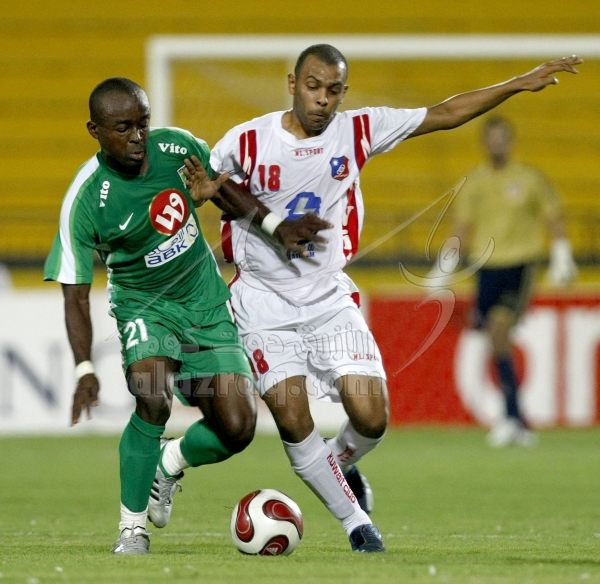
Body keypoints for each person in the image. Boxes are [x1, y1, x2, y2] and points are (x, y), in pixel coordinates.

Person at [164, 46, 582, 553]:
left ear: (344, 92)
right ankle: (358, 525)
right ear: (292, 83)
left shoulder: (359, 129)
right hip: (262, 302)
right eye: (313, 87)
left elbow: (446, 113)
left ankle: (337, 467)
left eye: (333, 90)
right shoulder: (247, 140)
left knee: (372, 416)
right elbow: (203, 184)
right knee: (294, 419)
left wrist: (517, 83)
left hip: (328, 298)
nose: (322, 100)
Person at [43, 77, 328, 555]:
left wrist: (277, 228)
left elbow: (222, 190)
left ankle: (168, 463)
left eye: (143, 123)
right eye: (123, 128)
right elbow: (75, 295)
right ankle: (132, 529)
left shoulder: (177, 147)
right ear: (95, 131)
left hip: (203, 303)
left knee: (237, 426)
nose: (138, 137)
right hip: (145, 307)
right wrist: (84, 367)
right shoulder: (86, 199)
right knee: (152, 395)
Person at [451, 116, 577, 447]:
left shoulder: (529, 177)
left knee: (498, 328)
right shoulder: (475, 181)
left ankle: (513, 417)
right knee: (496, 339)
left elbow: (553, 216)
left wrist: (562, 255)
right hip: (485, 269)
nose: (496, 144)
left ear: (510, 141)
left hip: (519, 265)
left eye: (501, 138)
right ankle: (515, 419)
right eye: (490, 138)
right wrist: (444, 266)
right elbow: (462, 226)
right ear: (484, 142)